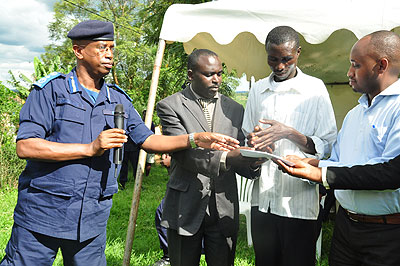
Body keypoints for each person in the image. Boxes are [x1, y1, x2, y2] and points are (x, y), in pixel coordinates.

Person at [0, 20, 240, 266]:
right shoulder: (51, 92)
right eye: (102, 48)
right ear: (78, 51)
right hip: (43, 215)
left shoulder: (118, 100)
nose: (109, 55)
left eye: (112, 49)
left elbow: (148, 140)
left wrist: (194, 138)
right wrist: (90, 148)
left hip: (91, 220)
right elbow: (26, 146)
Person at [276, 30, 400, 266]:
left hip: (387, 235)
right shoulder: (355, 113)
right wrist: (312, 164)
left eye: (356, 65)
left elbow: (392, 173)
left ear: (381, 66)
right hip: (346, 228)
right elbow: (342, 162)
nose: (349, 73)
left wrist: (322, 174)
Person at [156, 49, 263, 266]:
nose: (216, 79)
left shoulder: (234, 108)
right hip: (185, 205)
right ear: (190, 74)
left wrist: (254, 159)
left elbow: (238, 150)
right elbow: (183, 153)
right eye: (208, 74)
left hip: (223, 206)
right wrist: (226, 158)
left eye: (219, 73)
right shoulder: (170, 106)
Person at [242, 26, 337, 266]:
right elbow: (247, 137)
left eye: (287, 59)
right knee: (265, 261)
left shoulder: (314, 90)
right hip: (263, 198)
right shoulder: (258, 90)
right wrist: (255, 145)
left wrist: (290, 134)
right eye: (273, 59)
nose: (280, 66)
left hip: (299, 202)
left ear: (298, 53)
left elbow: (327, 146)